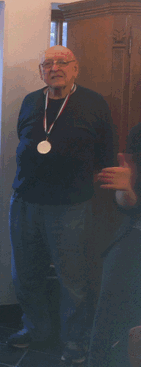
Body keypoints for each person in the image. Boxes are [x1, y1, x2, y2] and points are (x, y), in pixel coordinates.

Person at [8, 45, 115, 363]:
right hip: (25, 201)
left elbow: (106, 153)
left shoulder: (94, 103)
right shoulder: (31, 101)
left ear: (75, 68)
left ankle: (75, 340)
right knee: (25, 274)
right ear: (41, 71)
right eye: (48, 63)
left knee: (72, 278)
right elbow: (23, 137)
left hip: (70, 206)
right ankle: (35, 329)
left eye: (62, 62)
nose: (55, 68)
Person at [89, 133, 141, 366]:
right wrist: (126, 191)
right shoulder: (138, 134)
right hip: (133, 245)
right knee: (112, 330)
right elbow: (127, 202)